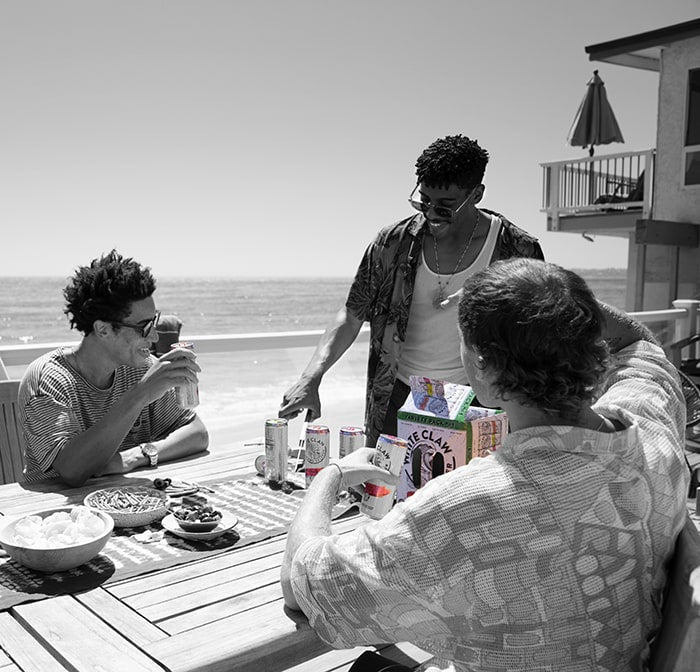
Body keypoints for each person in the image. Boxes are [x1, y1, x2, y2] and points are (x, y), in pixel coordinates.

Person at [281, 258, 689, 672]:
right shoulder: (652, 429)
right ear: (589, 345)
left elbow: (304, 584)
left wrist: (330, 477)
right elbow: (639, 344)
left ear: (483, 365)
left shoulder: (466, 513)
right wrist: (550, 299)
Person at [279, 134, 544, 445]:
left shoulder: (517, 249)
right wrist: (312, 377)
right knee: (385, 489)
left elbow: (537, 338)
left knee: (471, 492)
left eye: (445, 207)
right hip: (399, 396)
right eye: (424, 201)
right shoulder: (392, 243)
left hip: (482, 403)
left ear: (477, 194)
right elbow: (352, 315)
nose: (430, 213)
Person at [19, 250, 209, 486]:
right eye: (144, 326)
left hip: (126, 504)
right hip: (56, 514)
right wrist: (140, 395)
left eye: (155, 321)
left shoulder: (139, 367)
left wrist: (134, 457)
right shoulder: (49, 379)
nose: (154, 335)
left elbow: (197, 433)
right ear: (103, 330)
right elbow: (72, 471)